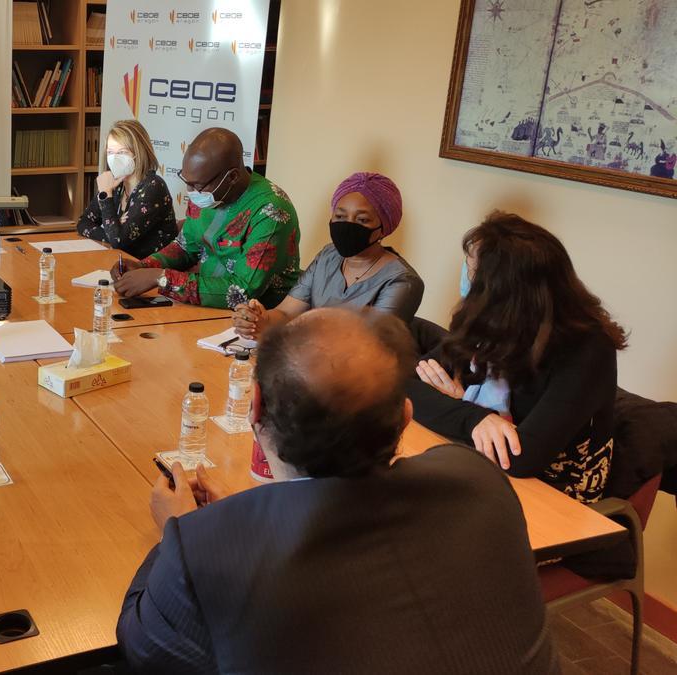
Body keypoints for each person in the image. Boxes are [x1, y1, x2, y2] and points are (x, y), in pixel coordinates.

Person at [117, 308, 555, 673]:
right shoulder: (477, 479)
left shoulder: (201, 549)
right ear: (406, 417)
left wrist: (179, 526)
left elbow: (139, 647)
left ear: (254, 407)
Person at [410, 212, 627, 503]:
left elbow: (522, 457)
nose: (465, 277)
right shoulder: (491, 325)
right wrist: (475, 418)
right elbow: (403, 387)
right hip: (482, 474)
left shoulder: (589, 349)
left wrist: (456, 406)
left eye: (472, 271)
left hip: (555, 498)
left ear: (502, 291)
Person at [110, 127, 300, 309]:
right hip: (206, 308)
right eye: (187, 183)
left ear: (232, 177)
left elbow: (243, 291)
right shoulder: (207, 194)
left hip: (257, 320)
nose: (190, 192)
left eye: (196, 186)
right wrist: (143, 267)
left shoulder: (271, 211)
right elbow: (185, 247)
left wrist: (160, 278)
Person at [233, 172, 423, 339]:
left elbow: (369, 347)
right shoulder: (328, 255)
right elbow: (285, 314)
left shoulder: (402, 282)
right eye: (340, 216)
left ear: (384, 228)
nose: (347, 225)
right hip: (310, 361)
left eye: (362, 220)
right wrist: (259, 319)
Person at [76, 120, 177, 258]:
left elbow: (119, 241)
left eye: (122, 152)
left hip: (150, 269)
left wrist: (106, 196)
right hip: (123, 263)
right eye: (110, 152)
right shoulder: (116, 184)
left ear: (139, 153)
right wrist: (114, 227)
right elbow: (83, 223)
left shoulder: (153, 186)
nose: (115, 158)